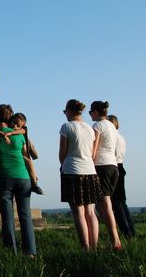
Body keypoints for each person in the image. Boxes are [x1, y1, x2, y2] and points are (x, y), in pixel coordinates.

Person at [0, 104, 37, 256]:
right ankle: (31, 252)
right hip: (23, 178)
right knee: (25, 216)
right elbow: (25, 154)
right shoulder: (19, 135)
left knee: (7, 218)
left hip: (3, 178)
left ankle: (11, 253)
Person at [58, 99, 102, 251]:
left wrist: (63, 164)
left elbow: (62, 154)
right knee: (91, 212)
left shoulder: (67, 127)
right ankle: (94, 247)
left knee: (78, 213)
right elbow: (91, 153)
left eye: (65, 112)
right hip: (90, 171)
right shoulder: (90, 129)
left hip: (72, 171)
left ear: (69, 111)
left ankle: (85, 248)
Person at [90, 101, 122, 250]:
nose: (90, 115)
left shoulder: (98, 126)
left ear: (96, 112)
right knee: (103, 206)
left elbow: (93, 149)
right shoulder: (111, 126)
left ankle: (115, 240)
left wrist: (88, 162)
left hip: (101, 165)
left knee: (105, 205)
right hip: (113, 166)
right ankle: (113, 238)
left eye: (91, 112)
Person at [108, 114, 136, 239]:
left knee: (117, 203)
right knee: (122, 202)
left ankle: (126, 232)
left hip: (113, 167)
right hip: (120, 166)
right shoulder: (122, 138)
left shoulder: (112, 138)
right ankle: (130, 230)